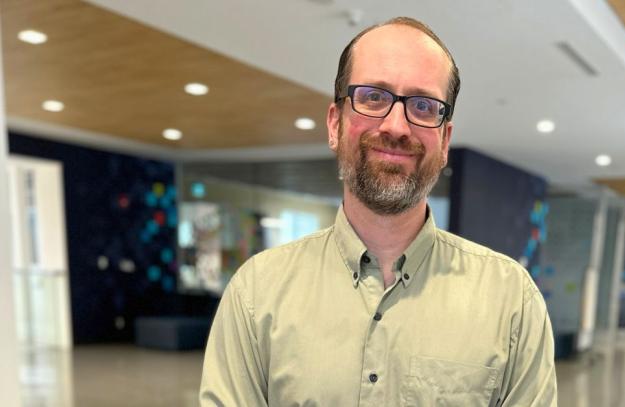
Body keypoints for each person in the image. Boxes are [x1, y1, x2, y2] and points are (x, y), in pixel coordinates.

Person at [200, 16, 557, 406]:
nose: (397, 126)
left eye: (423, 106)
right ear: (335, 124)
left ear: (445, 140)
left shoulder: (511, 301)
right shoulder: (257, 292)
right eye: (373, 97)